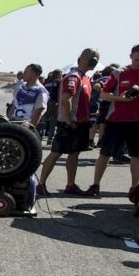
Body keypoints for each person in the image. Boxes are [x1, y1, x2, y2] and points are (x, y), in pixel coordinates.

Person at [87, 44, 139, 198]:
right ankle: (95, 185)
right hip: (116, 120)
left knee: (136, 156)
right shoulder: (118, 73)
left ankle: (134, 189)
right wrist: (120, 98)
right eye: (136, 59)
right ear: (130, 56)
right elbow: (103, 94)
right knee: (105, 153)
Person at [37, 48, 99, 196]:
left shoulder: (85, 77)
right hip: (70, 123)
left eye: (96, 59)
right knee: (56, 153)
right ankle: (41, 184)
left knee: (74, 153)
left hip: (81, 123)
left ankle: (70, 185)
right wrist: (69, 120)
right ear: (82, 59)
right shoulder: (74, 76)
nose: (94, 62)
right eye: (92, 58)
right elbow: (66, 99)